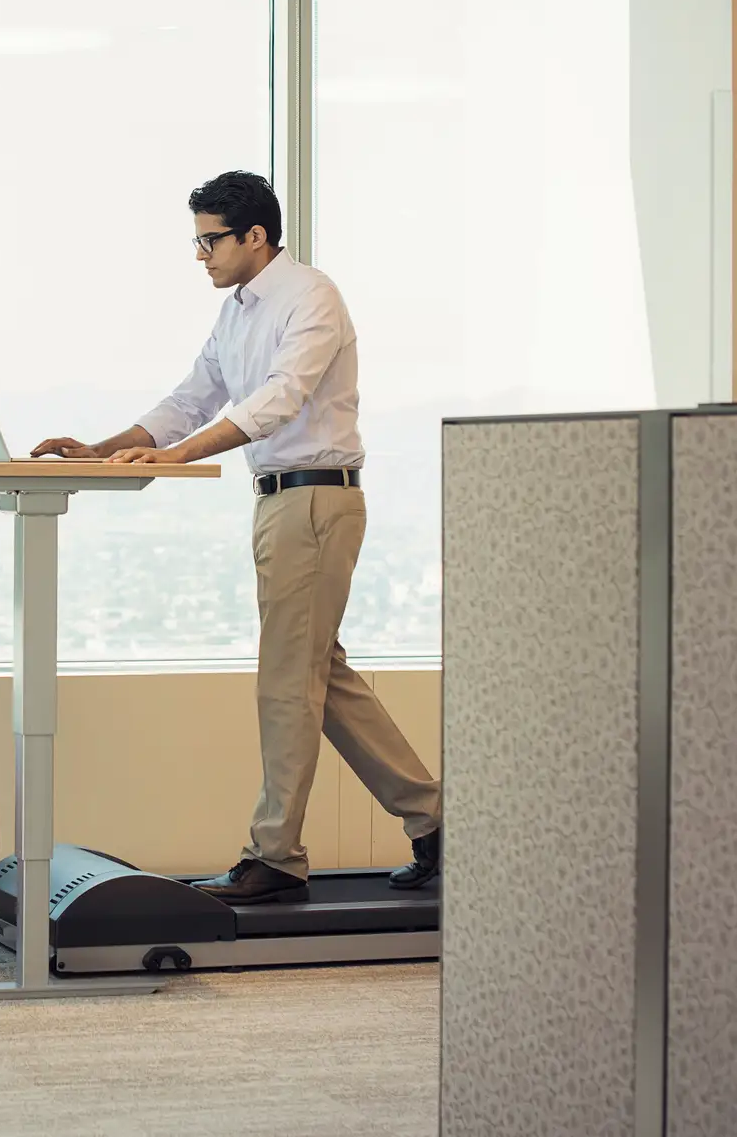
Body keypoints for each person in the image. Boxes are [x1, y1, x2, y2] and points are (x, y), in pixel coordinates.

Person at [32, 170, 441, 904]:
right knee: (321, 677)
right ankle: (437, 819)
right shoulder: (238, 311)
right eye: (197, 239)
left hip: (315, 503)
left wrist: (178, 456)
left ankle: (276, 856)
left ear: (256, 235)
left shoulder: (311, 296)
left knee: (288, 683)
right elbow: (191, 397)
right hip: (280, 506)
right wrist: (102, 447)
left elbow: (279, 399)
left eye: (210, 239)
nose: (201, 255)